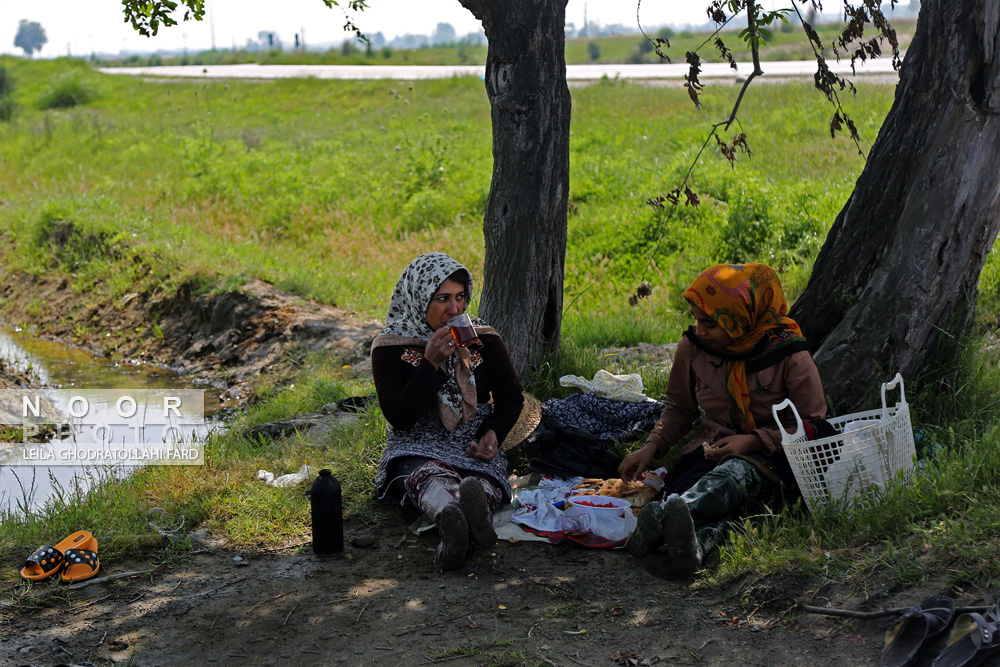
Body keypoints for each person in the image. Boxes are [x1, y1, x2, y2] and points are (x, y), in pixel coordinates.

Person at [619, 263, 827, 576]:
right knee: (726, 502)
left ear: (742, 317)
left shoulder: (787, 353)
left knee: (734, 475)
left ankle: (666, 517)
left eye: (710, 324)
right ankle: (695, 547)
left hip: (769, 460)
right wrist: (652, 447)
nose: (700, 330)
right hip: (707, 454)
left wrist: (753, 441)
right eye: (696, 320)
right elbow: (680, 406)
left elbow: (814, 425)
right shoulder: (694, 347)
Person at [371, 252, 524, 571]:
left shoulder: (484, 339)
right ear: (419, 298)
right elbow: (399, 416)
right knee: (426, 476)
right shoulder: (391, 347)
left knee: (483, 478)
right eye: (442, 299)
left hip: (473, 438)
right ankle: (450, 516)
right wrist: (431, 363)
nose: (454, 309)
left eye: (460, 297)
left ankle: (470, 516)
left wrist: (492, 434)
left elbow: (511, 399)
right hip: (416, 441)